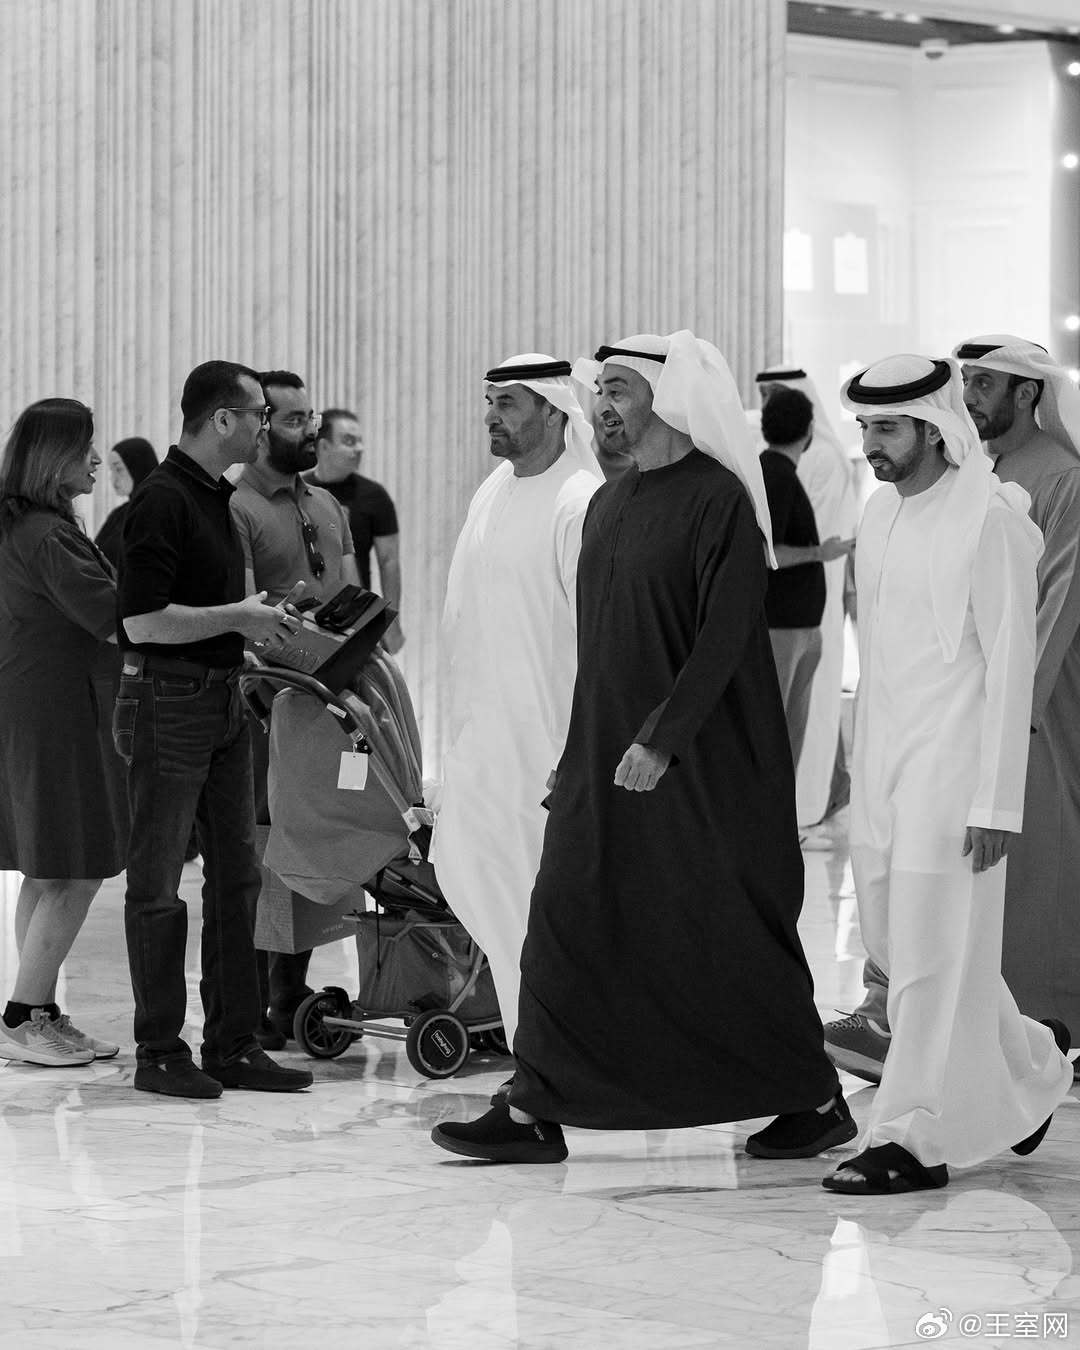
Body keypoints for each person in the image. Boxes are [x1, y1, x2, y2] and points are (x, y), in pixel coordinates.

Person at [431, 331, 854, 1164]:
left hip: (704, 769)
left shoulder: (719, 500)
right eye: (601, 391)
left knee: (723, 934)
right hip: (604, 760)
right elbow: (596, 646)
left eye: (620, 389)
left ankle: (813, 1098)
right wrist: (577, 752)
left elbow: (726, 635)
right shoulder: (611, 501)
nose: (604, 406)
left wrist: (662, 738)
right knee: (561, 919)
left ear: (671, 398)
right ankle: (536, 1104)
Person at [820, 354, 1070, 1194]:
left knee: (927, 960)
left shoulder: (989, 519)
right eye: (865, 428)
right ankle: (1034, 1065)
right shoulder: (880, 512)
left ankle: (909, 1136)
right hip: (886, 764)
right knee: (909, 945)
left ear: (934, 429)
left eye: (888, 429)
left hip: (956, 772)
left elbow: (1011, 661)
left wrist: (998, 800)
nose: (873, 445)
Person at [116, 359, 313, 1099]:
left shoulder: (214, 496)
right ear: (223, 419)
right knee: (159, 884)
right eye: (260, 413)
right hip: (168, 705)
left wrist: (252, 633)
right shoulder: (161, 499)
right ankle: (159, 1051)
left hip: (223, 699)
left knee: (238, 877)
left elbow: (201, 612)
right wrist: (239, 617)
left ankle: (232, 1044)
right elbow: (141, 622)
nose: (266, 426)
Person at [429, 354, 603, 1057]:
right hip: (484, 753)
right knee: (500, 912)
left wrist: (579, 751)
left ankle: (564, 1065)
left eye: (507, 403)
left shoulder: (579, 502)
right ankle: (535, 1061)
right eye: (489, 401)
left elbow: (598, 644)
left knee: (552, 922)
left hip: (546, 758)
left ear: (555, 411)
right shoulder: (493, 490)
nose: (490, 417)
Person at [231, 369, 360, 1047]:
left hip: (330, 706)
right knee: (264, 851)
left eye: (309, 418)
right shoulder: (236, 507)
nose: (308, 429)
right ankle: (250, 1001)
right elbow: (243, 619)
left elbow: (353, 594)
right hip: (266, 710)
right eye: (291, 420)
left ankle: (288, 995)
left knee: (316, 842)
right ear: (259, 429)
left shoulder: (328, 504)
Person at [0, 398, 128, 1066]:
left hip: (40, 708)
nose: (96, 459)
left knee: (48, 866)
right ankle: (25, 1016)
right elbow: (115, 618)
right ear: (54, 458)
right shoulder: (46, 534)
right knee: (75, 867)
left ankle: (37, 1011)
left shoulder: (25, 526)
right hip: (58, 715)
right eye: (85, 448)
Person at [754, 366, 859, 826]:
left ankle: (799, 810)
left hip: (807, 617)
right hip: (784, 624)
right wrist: (822, 552)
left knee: (801, 724)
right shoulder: (776, 473)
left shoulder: (812, 464)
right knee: (780, 729)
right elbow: (769, 551)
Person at [305, 408, 403, 652]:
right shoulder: (299, 490)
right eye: (349, 441)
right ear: (324, 446)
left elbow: (389, 561)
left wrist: (391, 620)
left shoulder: (375, 496)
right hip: (304, 614)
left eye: (360, 441)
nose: (359, 448)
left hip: (355, 615)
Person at [95, 437, 159, 568]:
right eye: (111, 470)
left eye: (118, 469)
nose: (113, 479)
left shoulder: (157, 512)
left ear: (137, 467)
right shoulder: (119, 514)